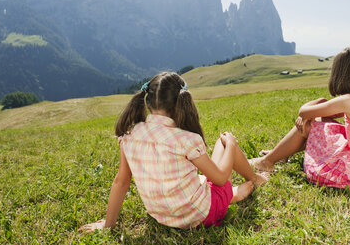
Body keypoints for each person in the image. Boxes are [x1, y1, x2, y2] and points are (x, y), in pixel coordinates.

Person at [79, 72, 268, 232]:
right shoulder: (186, 139)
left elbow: (121, 181)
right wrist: (232, 144)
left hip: (162, 216)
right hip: (203, 216)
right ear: (181, 102)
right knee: (224, 143)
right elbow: (219, 179)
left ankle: (234, 193)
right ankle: (253, 179)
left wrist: (107, 224)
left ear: (148, 101)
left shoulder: (129, 135)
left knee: (205, 176)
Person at [251, 46, 350, 192]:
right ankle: (281, 153)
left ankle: (268, 161)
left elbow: (304, 111)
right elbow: (327, 114)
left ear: (341, 75)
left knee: (312, 125)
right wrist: (317, 108)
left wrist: (315, 105)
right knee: (321, 122)